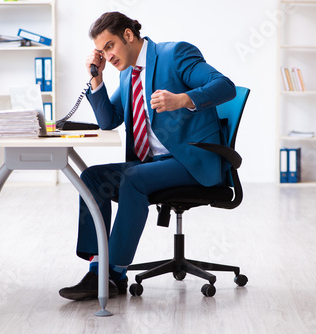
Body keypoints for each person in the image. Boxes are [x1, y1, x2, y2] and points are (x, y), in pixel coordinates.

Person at [59, 11, 236, 301]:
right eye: (102, 51)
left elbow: (224, 85)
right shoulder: (128, 73)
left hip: (191, 161)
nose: (108, 55)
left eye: (110, 46)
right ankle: (96, 269)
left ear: (128, 35)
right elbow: (108, 120)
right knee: (91, 177)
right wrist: (96, 78)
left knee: (134, 179)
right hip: (152, 164)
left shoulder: (175, 54)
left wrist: (183, 99)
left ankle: (113, 274)